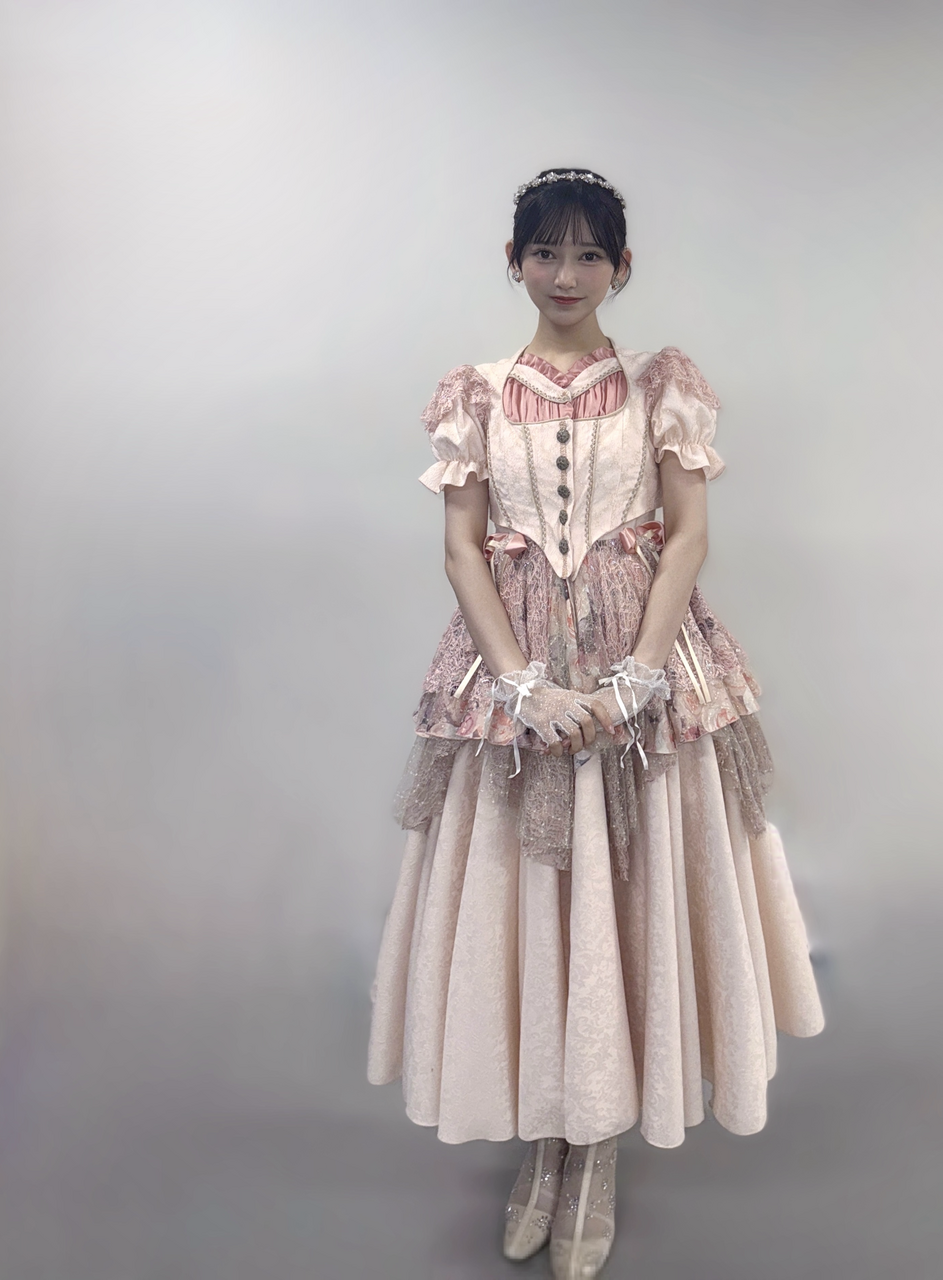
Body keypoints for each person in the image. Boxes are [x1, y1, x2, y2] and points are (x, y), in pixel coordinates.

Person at [367, 168, 825, 1279]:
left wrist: (638, 678)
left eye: (587, 254)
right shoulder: (474, 393)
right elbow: (461, 548)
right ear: (513, 262)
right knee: (523, 896)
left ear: (622, 266)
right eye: (544, 252)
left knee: (631, 890)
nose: (564, 274)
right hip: (514, 668)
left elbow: (686, 535)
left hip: (644, 668)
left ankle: (600, 1148)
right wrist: (520, 685)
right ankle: (544, 1136)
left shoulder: (661, 384)